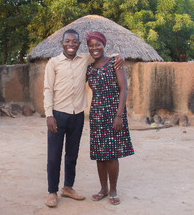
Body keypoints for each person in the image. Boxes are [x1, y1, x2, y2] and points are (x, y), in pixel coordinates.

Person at [43, 29, 123, 208]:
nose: (71, 44)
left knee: (72, 155)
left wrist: (120, 56)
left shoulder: (85, 60)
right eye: (68, 41)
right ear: (62, 43)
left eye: (74, 42)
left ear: (79, 45)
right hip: (58, 114)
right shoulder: (53, 63)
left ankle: (68, 187)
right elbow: (48, 89)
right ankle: (52, 191)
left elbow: (102, 53)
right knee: (54, 156)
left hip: (77, 115)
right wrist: (49, 115)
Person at [85, 31, 134, 205]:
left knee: (112, 154)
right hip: (97, 115)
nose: (95, 48)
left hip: (114, 113)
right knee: (100, 154)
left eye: (98, 44)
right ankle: (103, 189)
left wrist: (119, 115)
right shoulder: (89, 68)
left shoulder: (115, 62)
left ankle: (113, 190)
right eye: (91, 45)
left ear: (104, 45)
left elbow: (123, 89)